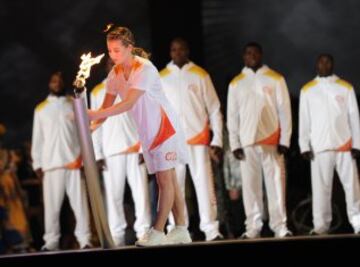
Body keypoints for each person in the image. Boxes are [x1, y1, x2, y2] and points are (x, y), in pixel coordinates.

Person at [88, 25, 191, 246]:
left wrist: (93, 113)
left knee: (165, 181)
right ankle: (181, 228)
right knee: (170, 179)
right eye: (110, 50)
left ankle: (158, 231)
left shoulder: (145, 68)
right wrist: (90, 128)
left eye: (117, 50)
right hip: (148, 132)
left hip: (165, 128)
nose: (112, 55)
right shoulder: (114, 74)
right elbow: (105, 111)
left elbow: (128, 103)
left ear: (129, 48)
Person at [227, 42, 292, 239]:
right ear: (243, 56)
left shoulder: (275, 78)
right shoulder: (237, 82)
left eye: (255, 52)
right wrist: (235, 143)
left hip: (271, 141)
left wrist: (285, 140)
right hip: (247, 143)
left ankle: (280, 226)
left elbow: (285, 111)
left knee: (276, 185)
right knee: (250, 187)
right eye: (248, 53)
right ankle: (253, 227)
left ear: (261, 54)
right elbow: (232, 116)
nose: (252, 55)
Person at [160, 38, 223, 241]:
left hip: (198, 138)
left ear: (187, 50)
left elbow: (214, 109)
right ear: (170, 52)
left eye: (181, 49)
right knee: (174, 187)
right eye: (173, 49)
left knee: (204, 184)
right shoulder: (161, 77)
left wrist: (218, 140)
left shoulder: (200, 75)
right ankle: (178, 230)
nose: (177, 52)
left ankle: (211, 229)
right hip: (172, 141)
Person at [90, 59, 151, 246]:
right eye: (110, 65)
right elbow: (95, 125)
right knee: (113, 195)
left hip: (134, 148)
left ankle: (144, 232)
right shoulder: (97, 92)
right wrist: (98, 154)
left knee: (141, 193)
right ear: (106, 69)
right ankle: (116, 234)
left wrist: (143, 148)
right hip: (111, 151)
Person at [299, 54, 360, 235]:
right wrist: (304, 145)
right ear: (316, 64)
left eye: (328, 61)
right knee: (320, 190)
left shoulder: (345, 87)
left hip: (344, 146)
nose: (324, 64)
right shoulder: (307, 90)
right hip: (319, 148)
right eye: (321, 61)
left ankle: (358, 222)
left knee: (352, 187)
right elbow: (304, 120)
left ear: (332, 64)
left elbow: (354, 118)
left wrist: (357, 143)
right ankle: (321, 226)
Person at [31, 72, 91, 250]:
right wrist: (37, 164)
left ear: (64, 83)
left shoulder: (74, 104)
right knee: (52, 208)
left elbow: (82, 134)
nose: (57, 84)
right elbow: (38, 138)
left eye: (60, 81)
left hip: (73, 163)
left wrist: (83, 159)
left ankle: (85, 239)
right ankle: (51, 241)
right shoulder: (40, 109)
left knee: (80, 206)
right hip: (51, 165)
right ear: (49, 84)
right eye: (53, 81)